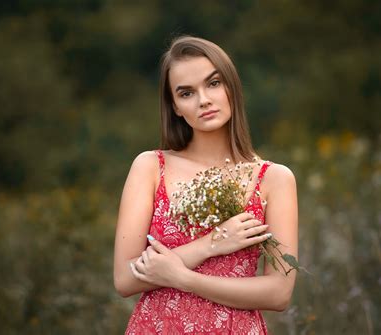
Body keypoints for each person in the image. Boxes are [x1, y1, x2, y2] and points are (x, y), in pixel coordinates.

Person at [113, 35, 298, 334]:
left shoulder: (274, 179)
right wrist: (210, 244)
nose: (204, 100)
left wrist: (185, 279)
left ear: (231, 87)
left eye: (213, 83)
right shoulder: (150, 167)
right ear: (174, 106)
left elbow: (279, 293)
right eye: (186, 93)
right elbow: (124, 279)